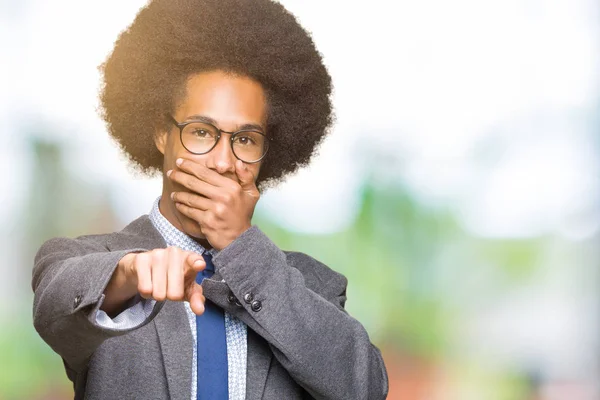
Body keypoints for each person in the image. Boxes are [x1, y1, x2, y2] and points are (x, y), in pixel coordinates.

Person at [31, 0, 389, 399]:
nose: (222, 161)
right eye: (201, 132)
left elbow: (365, 388)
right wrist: (127, 275)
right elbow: (55, 310)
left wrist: (242, 249)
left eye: (245, 140)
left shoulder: (312, 285)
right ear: (161, 134)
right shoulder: (86, 261)